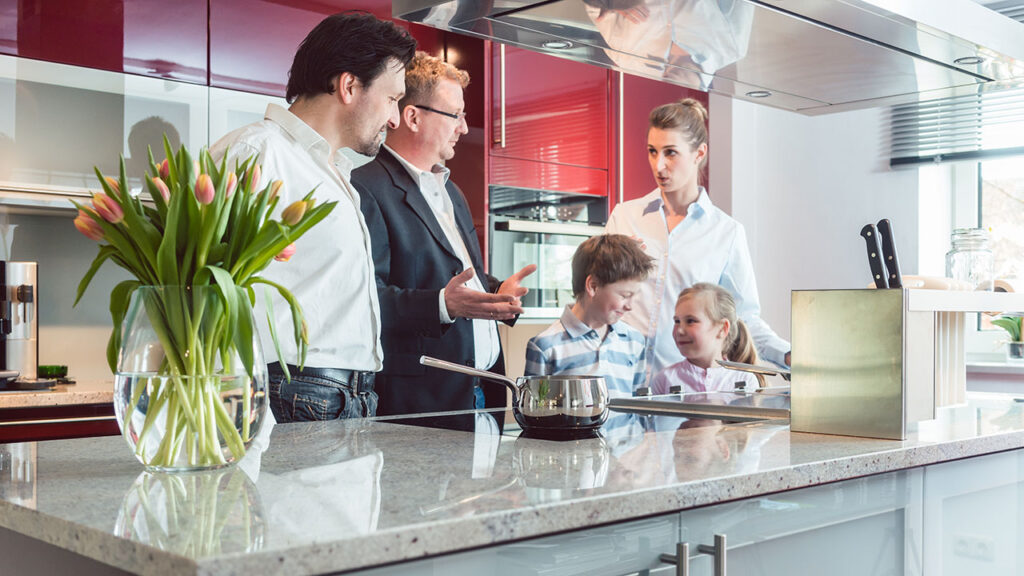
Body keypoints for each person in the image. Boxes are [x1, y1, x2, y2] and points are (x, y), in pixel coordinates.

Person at [210, 12, 416, 423]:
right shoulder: (257, 155)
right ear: (349, 86)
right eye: (393, 98)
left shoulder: (333, 172)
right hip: (293, 396)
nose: (395, 119)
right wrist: (248, 425)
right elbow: (207, 297)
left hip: (343, 398)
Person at [351, 52, 536, 419]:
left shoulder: (451, 191)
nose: (464, 128)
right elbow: (365, 300)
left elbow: (459, 280)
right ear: (413, 117)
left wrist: (495, 293)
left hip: (484, 393)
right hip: (423, 406)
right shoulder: (366, 188)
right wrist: (442, 304)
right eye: (456, 115)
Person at [605, 98, 790, 378]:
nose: (659, 166)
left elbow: (744, 319)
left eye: (671, 153)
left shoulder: (726, 233)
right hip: (618, 380)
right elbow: (597, 302)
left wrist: (789, 355)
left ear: (699, 153)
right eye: (652, 152)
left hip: (685, 392)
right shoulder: (624, 217)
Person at [524, 234, 654, 397]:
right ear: (593, 286)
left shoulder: (634, 340)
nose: (630, 306)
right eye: (625, 295)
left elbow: (637, 407)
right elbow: (536, 413)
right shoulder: (546, 346)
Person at [651, 282, 760, 395]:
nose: (679, 330)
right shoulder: (664, 381)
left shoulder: (746, 381)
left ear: (722, 328)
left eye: (690, 321)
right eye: (677, 321)